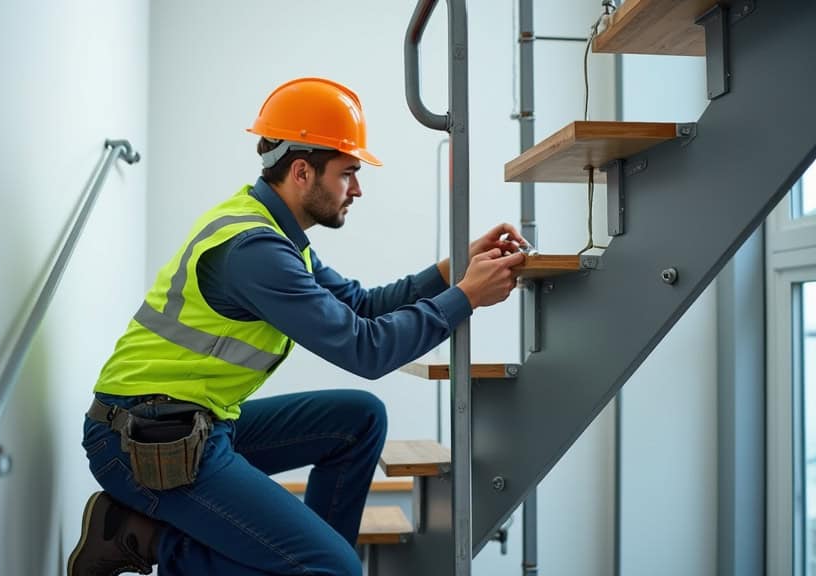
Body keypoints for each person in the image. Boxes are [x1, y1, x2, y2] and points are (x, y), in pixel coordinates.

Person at [67, 77, 529, 576]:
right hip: (141, 440)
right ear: (303, 171)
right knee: (336, 569)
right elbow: (366, 350)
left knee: (359, 419)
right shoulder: (255, 252)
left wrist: (454, 270)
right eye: (348, 173)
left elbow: (362, 306)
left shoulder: (275, 236)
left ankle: (315, 562)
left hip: (190, 423)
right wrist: (466, 298)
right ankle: (143, 537)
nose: (357, 189)